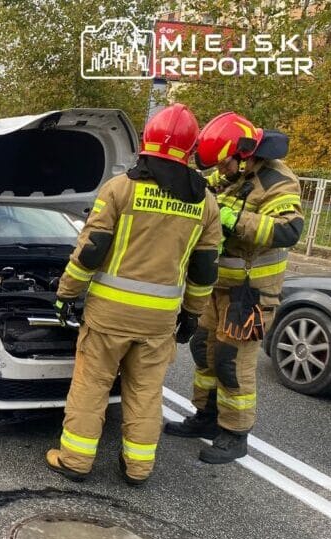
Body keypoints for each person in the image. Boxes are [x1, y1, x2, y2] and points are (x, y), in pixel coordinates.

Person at [45, 103, 221, 487]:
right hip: (159, 321)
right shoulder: (205, 203)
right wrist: (192, 314)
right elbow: (206, 268)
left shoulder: (120, 189)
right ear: (189, 149)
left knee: (91, 386)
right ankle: (138, 468)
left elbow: (91, 250)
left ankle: (75, 460)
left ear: (148, 142)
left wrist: (66, 294)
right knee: (144, 391)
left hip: (109, 316)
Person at [164, 112, 304, 463]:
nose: (221, 170)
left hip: (250, 292)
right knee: (203, 348)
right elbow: (204, 188)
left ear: (243, 153)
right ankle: (206, 418)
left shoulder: (276, 180)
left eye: (224, 163)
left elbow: (288, 230)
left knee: (232, 360)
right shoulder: (232, 173)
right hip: (218, 286)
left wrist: (231, 218)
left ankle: (235, 433)